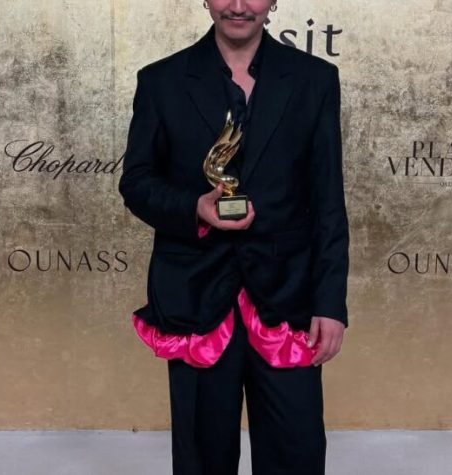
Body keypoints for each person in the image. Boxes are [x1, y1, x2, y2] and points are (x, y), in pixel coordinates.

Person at [118, 1, 349, 473]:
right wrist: (194, 207)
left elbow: (328, 199)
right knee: (202, 460)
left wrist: (330, 303)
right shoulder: (161, 80)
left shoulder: (315, 80)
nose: (239, 6)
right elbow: (136, 183)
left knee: (297, 456)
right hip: (196, 297)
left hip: (288, 299)